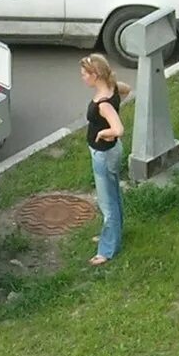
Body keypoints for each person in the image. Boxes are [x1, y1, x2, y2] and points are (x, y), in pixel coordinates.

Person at [80, 54, 131, 266]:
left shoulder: (103, 103)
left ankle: (107, 250)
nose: (82, 78)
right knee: (113, 194)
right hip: (112, 152)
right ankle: (113, 234)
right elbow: (127, 89)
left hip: (104, 154)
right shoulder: (113, 88)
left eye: (84, 74)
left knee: (107, 202)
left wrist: (103, 134)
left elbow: (119, 129)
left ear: (95, 75)